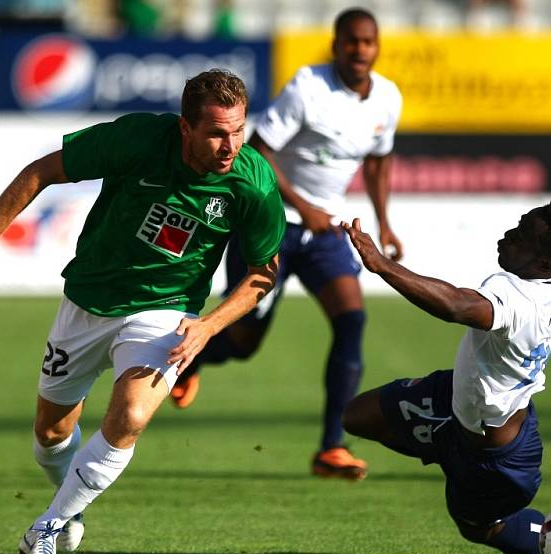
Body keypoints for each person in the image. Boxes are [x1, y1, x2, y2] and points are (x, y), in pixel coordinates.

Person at [0, 69, 286, 554]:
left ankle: (47, 527)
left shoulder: (253, 182)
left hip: (166, 310)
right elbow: (41, 171)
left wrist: (210, 324)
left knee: (130, 416)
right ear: (185, 127)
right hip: (89, 300)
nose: (230, 145)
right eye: (217, 132)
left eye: (238, 130)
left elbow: (265, 272)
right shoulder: (137, 139)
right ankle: (72, 503)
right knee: (49, 436)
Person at [169, 8, 403, 481]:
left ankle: (331, 448)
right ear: (336, 45)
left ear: (377, 47)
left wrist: (385, 223)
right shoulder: (307, 88)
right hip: (271, 222)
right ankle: (193, 358)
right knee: (243, 340)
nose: (360, 50)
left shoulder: (388, 99)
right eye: (351, 42)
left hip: (324, 234)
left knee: (352, 320)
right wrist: (304, 206)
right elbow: (255, 152)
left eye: (368, 42)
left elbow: (379, 162)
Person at [340, 201, 551, 554]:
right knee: (355, 416)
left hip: (495, 458)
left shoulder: (517, 296)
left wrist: (381, 265)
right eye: (518, 226)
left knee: (480, 531)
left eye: (521, 237)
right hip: (455, 404)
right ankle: (440, 450)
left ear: (544, 264)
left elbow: (456, 306)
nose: (507, 237)